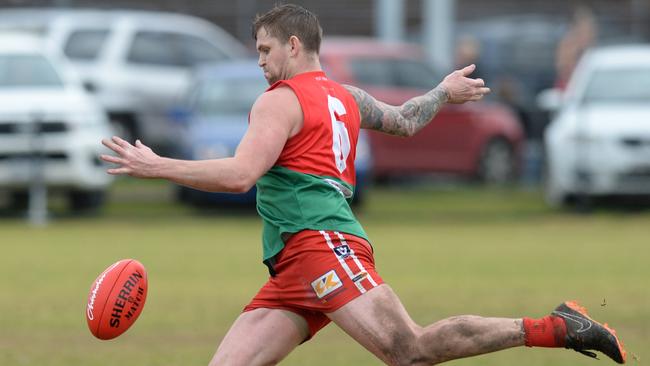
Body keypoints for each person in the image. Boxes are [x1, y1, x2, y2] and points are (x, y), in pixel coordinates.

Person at [101, 4, 626, 366]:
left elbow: (240, 174)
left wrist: (157, 165)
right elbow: (404, 120)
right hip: (294, 264)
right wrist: (441, 91)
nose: (259, 62)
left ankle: (555, 327)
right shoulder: (345, 96)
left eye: (264, 50)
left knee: (409, 349)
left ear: (292, 44)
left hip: (321, 246)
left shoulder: (279, 100)